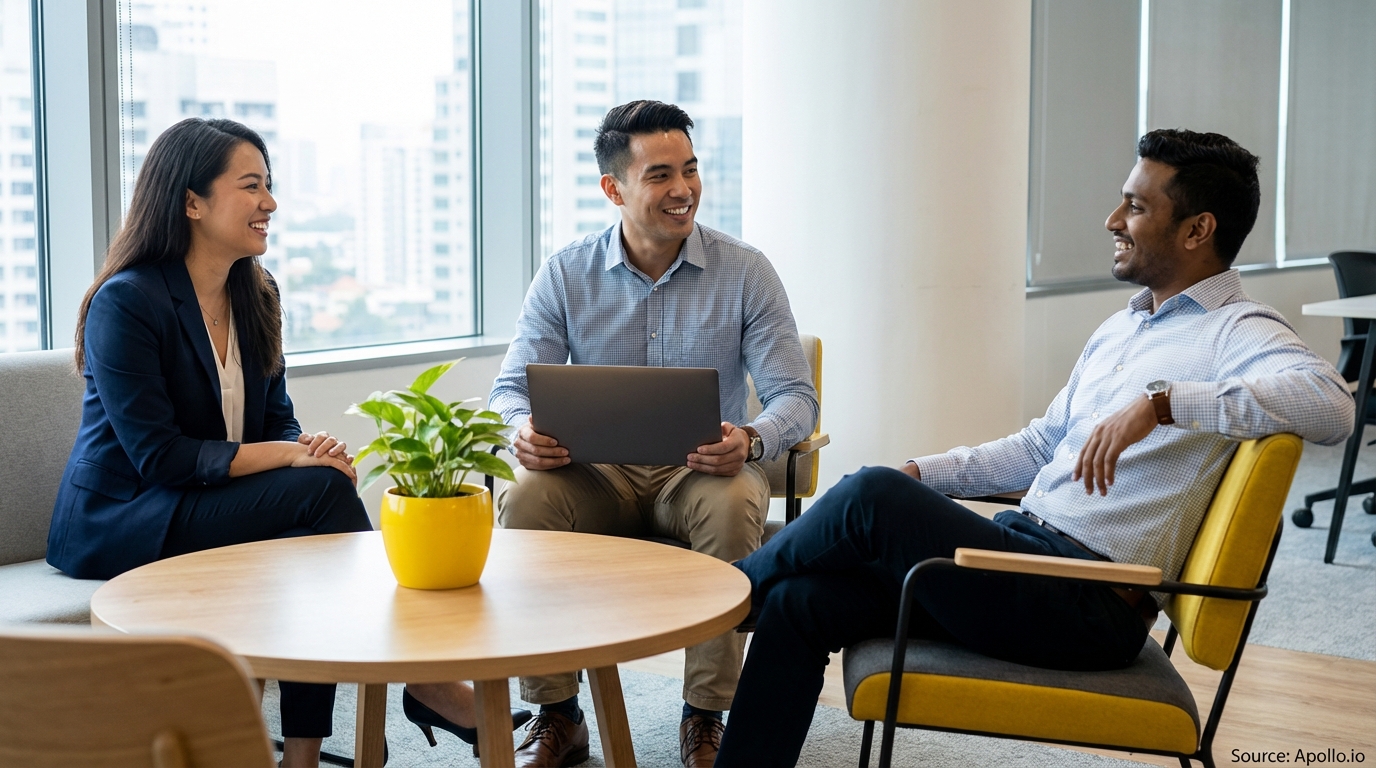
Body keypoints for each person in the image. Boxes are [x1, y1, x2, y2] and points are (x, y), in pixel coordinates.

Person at [713, 129, 1356, 766]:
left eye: (1136, 205)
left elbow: (1332, 402)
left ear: (1197, 230)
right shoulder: (1124, 325)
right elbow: (1040, 447)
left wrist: (1161, 403)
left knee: (870, 494)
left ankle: (715, 601)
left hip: (1086, 602)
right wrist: (920, 474)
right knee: (804, 601)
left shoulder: (1236, 329)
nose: (1113, 219)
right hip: (1027, 563)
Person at [46, 118, 529, 768]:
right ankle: (419, 683)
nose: (270, 202)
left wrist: (305, 445)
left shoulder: (256, 292)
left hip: (203, 501)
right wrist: (292, 458)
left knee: (316, 518)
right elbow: (158, 457)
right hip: (127, 516)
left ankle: (304, 753)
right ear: (191, 202)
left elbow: (274, 419)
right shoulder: (127, 303)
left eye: (269, 185)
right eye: (251, 186)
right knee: (319, 497)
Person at [489, 100, 818, 768]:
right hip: (594, 475)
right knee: (525, 499)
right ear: (614, 189)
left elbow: (796, 398)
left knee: (733, 503)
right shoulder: (565, 273)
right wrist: (519, 431)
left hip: (699, 472)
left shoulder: (746, 271)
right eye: (661, 175)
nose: (683, 190)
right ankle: (557, 714)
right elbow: (508, 392)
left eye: (691, 171)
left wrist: (751, 439)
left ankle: (704, 718)